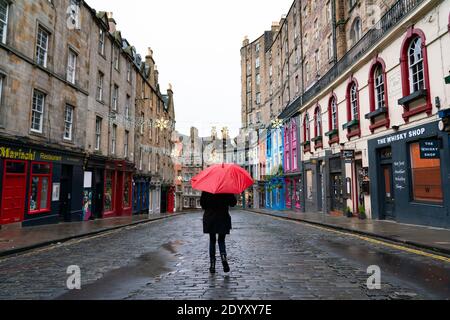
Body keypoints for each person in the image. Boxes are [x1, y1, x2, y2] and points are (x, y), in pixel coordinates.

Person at [200, 191, 237, 274]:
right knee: (221, 240)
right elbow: (233, 203)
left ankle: (212, 265)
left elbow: (202, 204)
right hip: (223, 217)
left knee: (212, 240)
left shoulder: (207, 189)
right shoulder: (226, 189)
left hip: (210, 217)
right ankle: (224, 258)